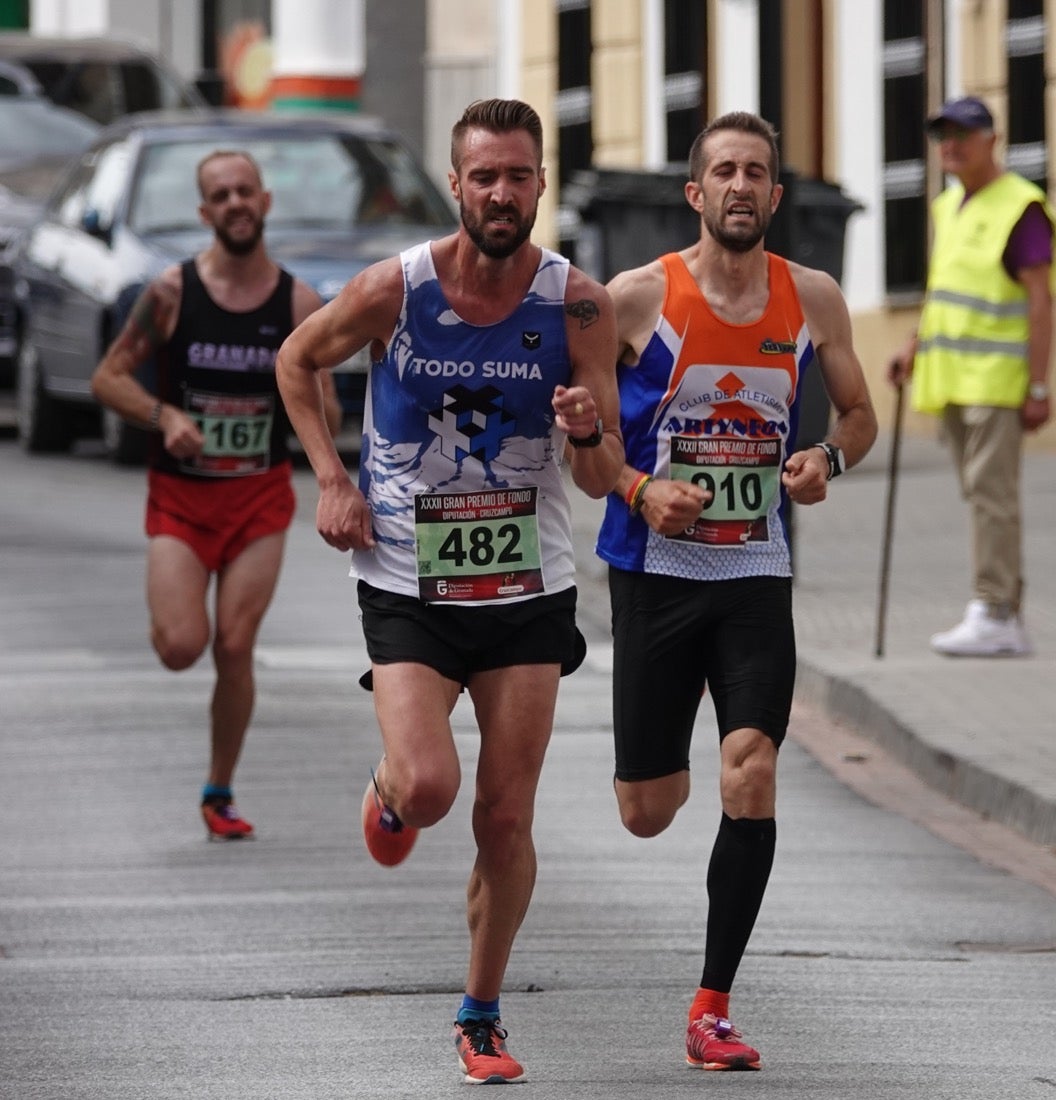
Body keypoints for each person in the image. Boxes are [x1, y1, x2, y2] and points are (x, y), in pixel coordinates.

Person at [275, 98, 622, 1084]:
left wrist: (589, 427)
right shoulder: (398, 289)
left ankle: (480, 1014)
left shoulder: (576, 307)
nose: (502, 193)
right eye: (484, 177)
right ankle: (389, 785)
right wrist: (332, 480)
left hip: (528, 586)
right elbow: (296, 361)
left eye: (519, 175)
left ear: (541, 184)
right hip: (407, 580)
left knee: (504, 816)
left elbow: (601, 481)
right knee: (430, 786)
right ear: (456, 184)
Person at [595, 111, 877, 1071]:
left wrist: (827, 458)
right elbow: (578, 438)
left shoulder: (813, 299)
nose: (742, 186)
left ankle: (712, 1005)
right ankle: (648, 775)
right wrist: (639, 487)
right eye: (724, 171)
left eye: (757, 171)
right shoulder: (638, 299)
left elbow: (861, 413)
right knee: (649, 806)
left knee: (750, 767)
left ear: (777, 194)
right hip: (655, 571)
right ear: (696, 193)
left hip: (756, 569)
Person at [90, 149, 342, 840]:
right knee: (181, 645)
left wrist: (310, 394)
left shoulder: (297, 303)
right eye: (220, 195)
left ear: (263, 203)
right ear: (205, 213)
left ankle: (219, 788)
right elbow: (108, 379)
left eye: (244, 192)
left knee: (234, 644)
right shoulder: (171, 293)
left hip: (257, 497)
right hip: (181, 499)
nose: (234, 204)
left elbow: (330, 412)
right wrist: (163, 415)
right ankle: (170, 617)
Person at [888, 95, 1052, 657]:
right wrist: (912, 347)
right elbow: (942, 291)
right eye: (943, 136)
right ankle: (998, 609)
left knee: (992, 497)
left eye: (962, 134)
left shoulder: (1022, 207)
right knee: (980, 494)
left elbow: (1040, 303)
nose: (950, 146)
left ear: (993, 140)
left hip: (996, 381)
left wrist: (1038, 386)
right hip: (952, 377)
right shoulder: (948, 205)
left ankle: (997, 611)